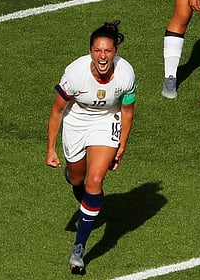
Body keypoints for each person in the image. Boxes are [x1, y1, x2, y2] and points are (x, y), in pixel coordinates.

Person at [45, 20, 137, 274]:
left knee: (95, 180)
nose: (103, 56)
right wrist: (50, 148)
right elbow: (57, 111)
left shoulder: (126, 74)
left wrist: (122, 146)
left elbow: (127, 112)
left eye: (108, 50)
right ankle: (77, 183)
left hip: (107, 121)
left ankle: (78, 249)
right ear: (90, 52)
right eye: (98, 50)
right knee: (78, 177)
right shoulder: (75, 74)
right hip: (75, 122)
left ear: (115, 52)